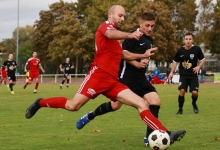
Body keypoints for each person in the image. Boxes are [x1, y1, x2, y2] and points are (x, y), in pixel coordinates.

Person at [25, 5, 185, 145]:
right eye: (120, 15)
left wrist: (143, 55)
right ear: (111, 15)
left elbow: (124, 56)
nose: (122, 18)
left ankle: (165, 133)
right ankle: (40, 103)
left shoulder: (117, 41)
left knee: (142, 103)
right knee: (72, 106)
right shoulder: (106, 27)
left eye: (124, 16)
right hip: (97, 77)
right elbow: (110, 34)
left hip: (113, 81)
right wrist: (130, 35)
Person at [76, 12, 173, 146]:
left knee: (155, 101)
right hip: (126, 77)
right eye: (147, 25)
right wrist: (138, 62)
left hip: (141, 78)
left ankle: (150, 136)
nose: (150, 29)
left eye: (152, 26)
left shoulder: (149, 40)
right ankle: (89, 116)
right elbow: (123, 55)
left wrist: (144, 60)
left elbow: (142, 56)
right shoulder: (133, 36)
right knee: (115, 105)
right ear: (140, 23)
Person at [168, 32, 206, 114]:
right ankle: (180, 109)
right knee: (182, 91)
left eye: (190, 39)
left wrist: (198, 67)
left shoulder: (197, 49)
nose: (188, 41)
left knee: (195, 93)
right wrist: (171, 72)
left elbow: (203, 60)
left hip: (193, 75)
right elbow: (175, 61)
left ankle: (194, 103)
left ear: (192, 40)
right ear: (184, 40)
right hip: (183, 75)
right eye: (186, 39)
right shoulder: (180, 50)